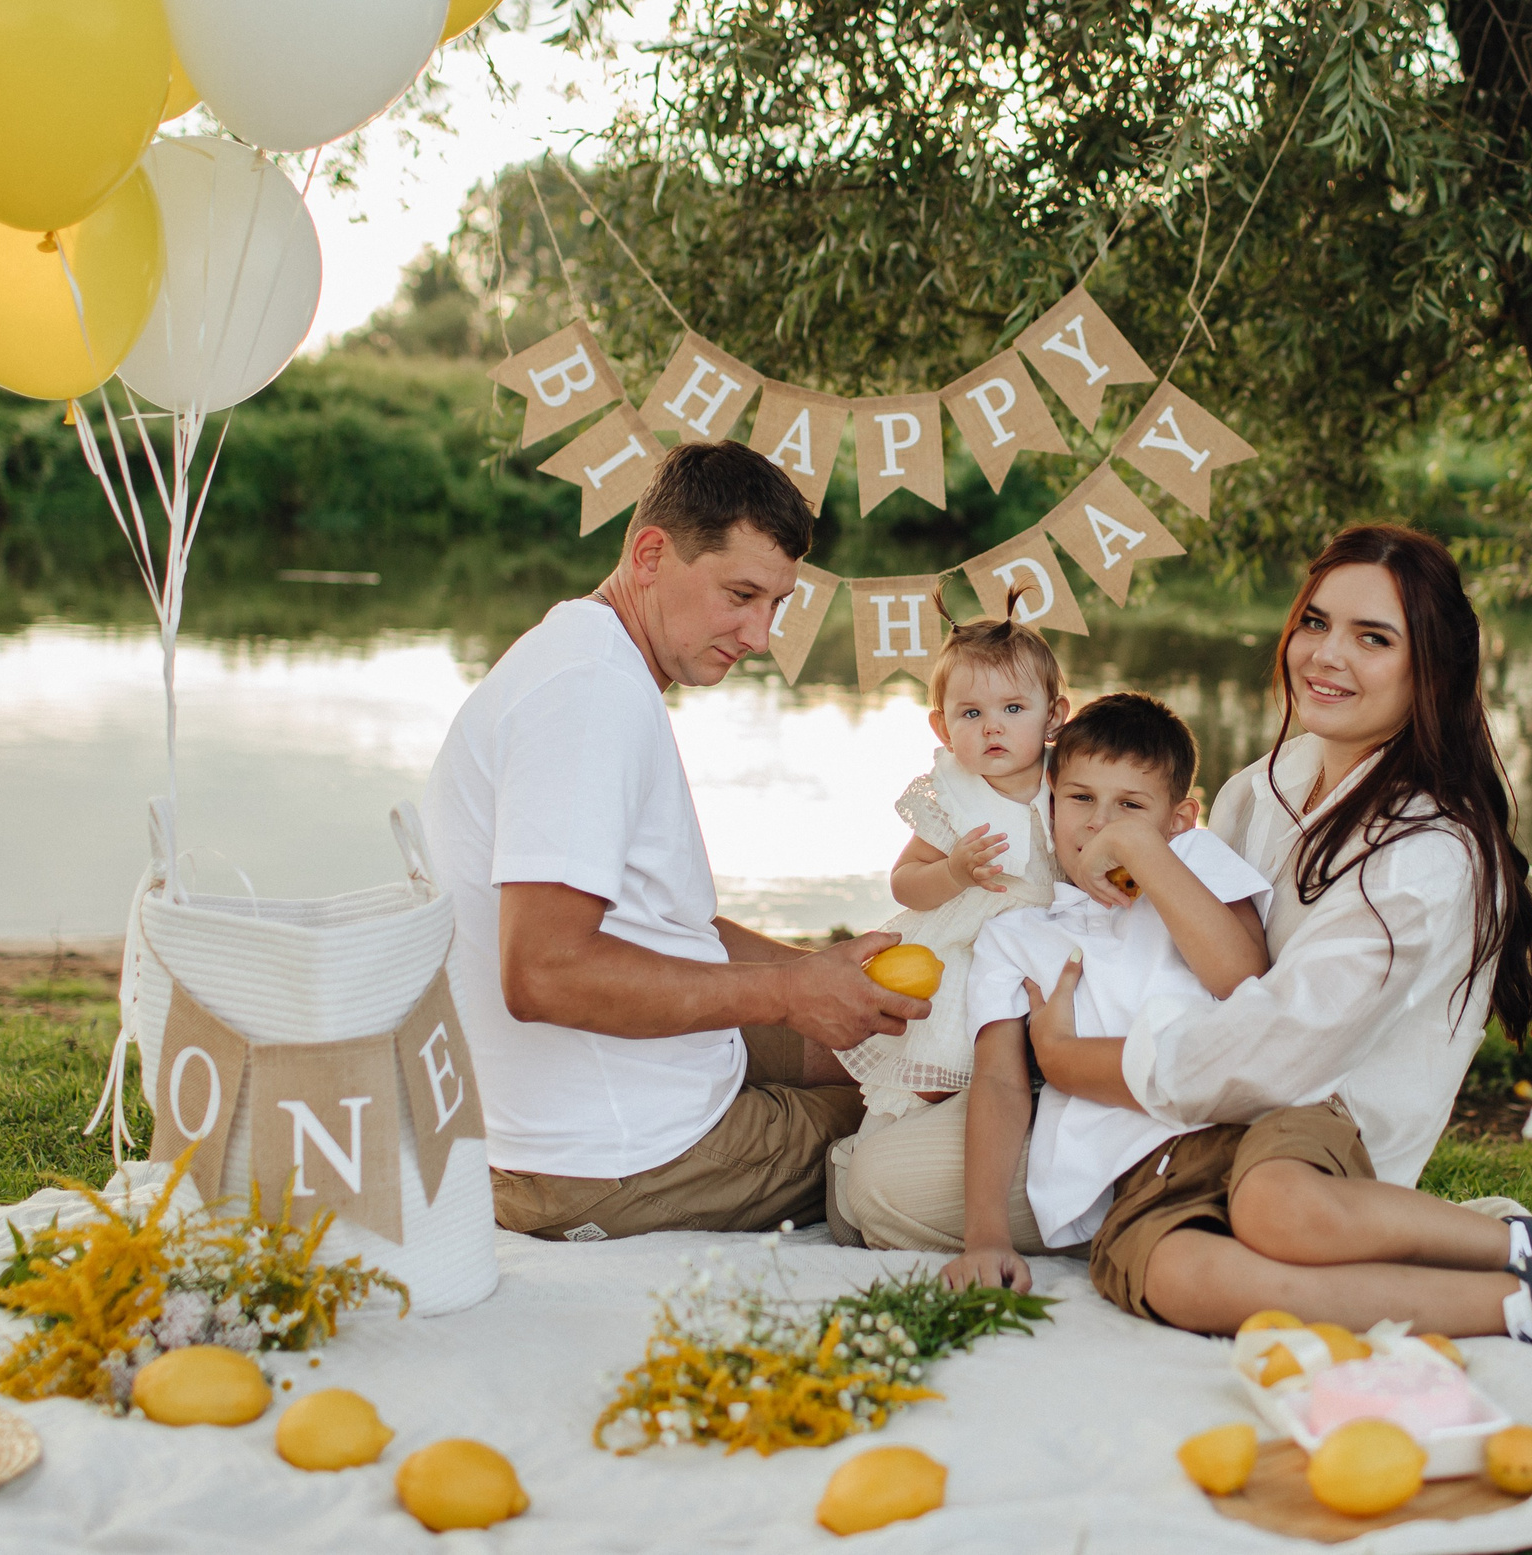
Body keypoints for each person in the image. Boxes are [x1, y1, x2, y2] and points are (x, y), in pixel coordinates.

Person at [1022, 524, 1532, 1343]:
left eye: (1373, 637)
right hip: (1197, 1127)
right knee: (1172, 1273)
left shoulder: (1425, 854)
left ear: (1431, 670)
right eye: (1315, 622)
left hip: (1324, 1137)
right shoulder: (1271, 782)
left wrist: (1073, 1061)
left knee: (1274, 1209)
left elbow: (1283, 1046)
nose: (1325, 654)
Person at [419, 441, 921, 1243]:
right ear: (651, 553)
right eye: (741, 594)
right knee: (923, 1106)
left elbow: (666, 926)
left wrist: (812, 971)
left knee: (914, 1032)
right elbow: (543, 973)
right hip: (607, 1156)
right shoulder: (591, 695)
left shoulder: (581, 652)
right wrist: (791, 997)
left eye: (776, 604)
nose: (759, 634)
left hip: (590, 1100)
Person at [943, 693, 1272, 1294]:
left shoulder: (1193, 862)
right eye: (1080, 798)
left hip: (1244, 1127)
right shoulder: (1015, 936)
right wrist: (985, 1237)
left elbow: (1243, 978)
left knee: (1293, 1222)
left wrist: (1148, 857)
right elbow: (998, 1081)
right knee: (1194, 1277)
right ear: (1049, 801)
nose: (1100, 823)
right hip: (1133, 1167)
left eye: (1130, 806)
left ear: (1178, 820)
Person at [839, 606, 1072, 1129]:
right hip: (963, 950)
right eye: (971, 714)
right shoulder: (953, 796)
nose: (993, 726)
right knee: (940, 1053)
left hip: (1045, 943)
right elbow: (904, 882)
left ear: (1053, 715)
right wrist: (954, 874)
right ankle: (885, 1136)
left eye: (1013, 708)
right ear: (942, 726)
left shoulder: (1071, 783)